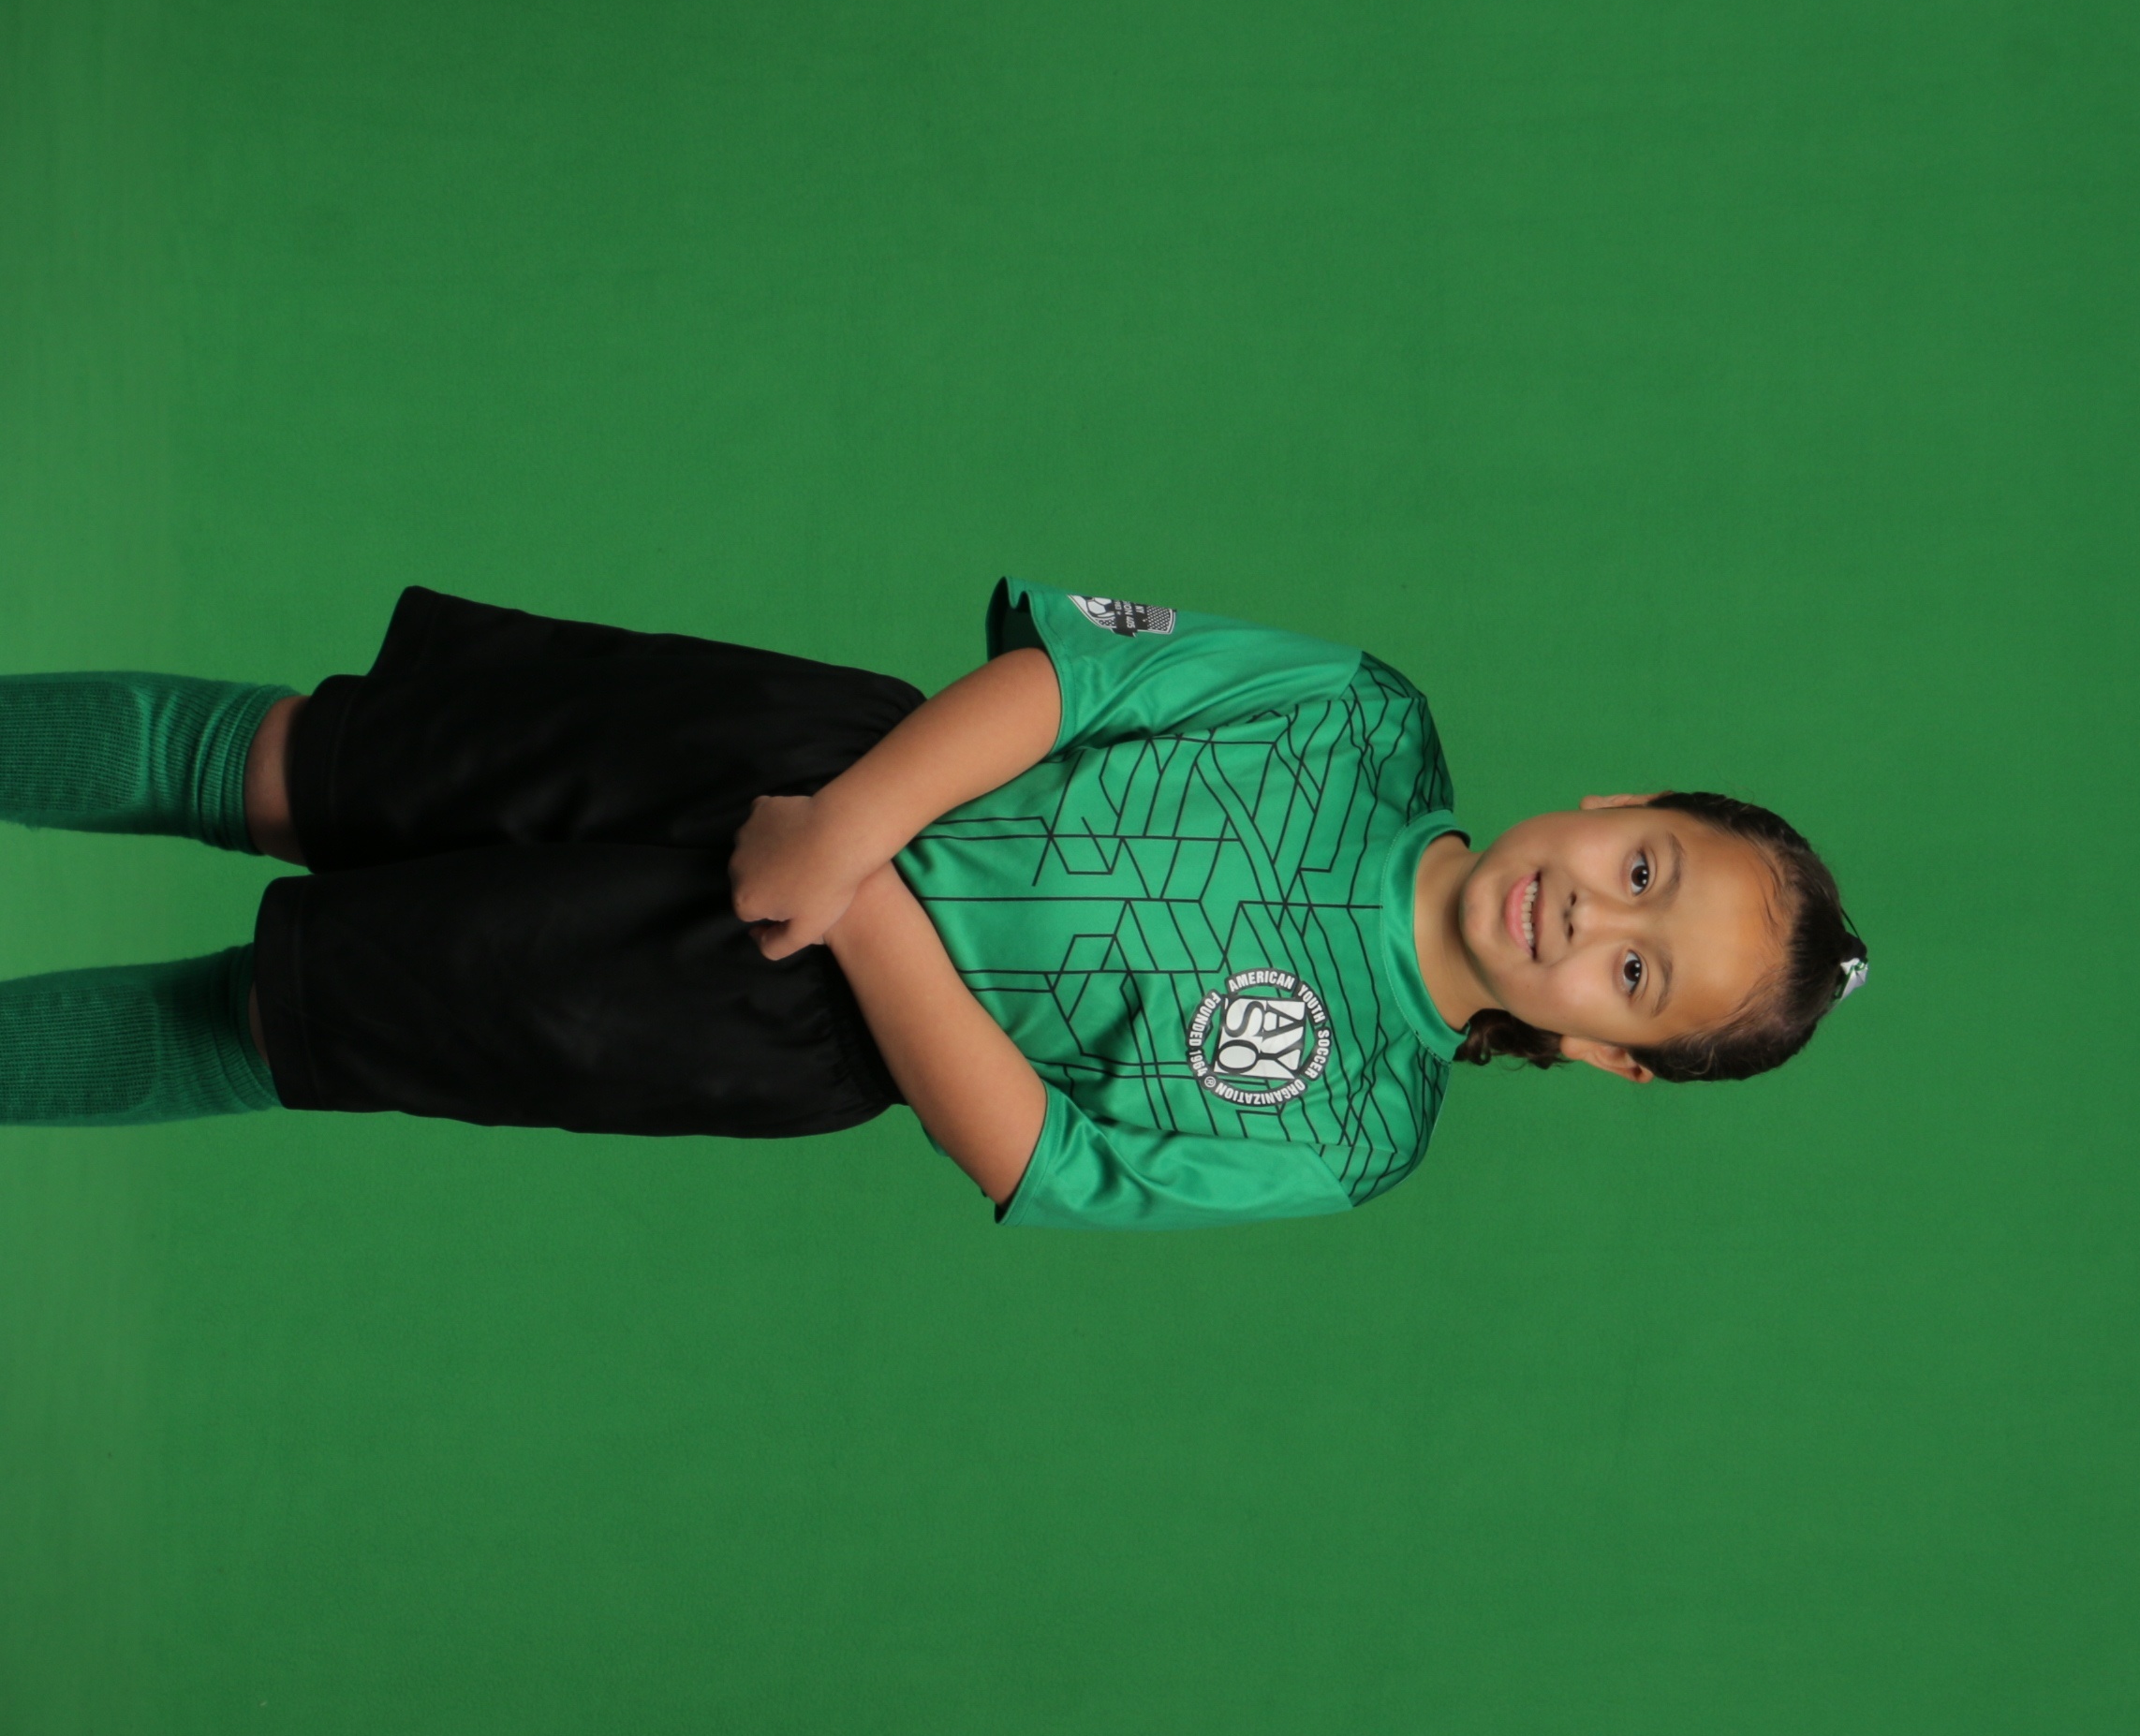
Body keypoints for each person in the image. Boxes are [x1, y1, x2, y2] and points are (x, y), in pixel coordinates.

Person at [0, 581, 1867, 1228]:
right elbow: (1080, 682)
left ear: (1609, 1055)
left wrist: (866, 913)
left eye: (1639, 976)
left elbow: (1048, 1160)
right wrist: (853, 822)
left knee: (271, 1019)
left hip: (763, 1006)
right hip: (798, 760)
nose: (1590, 920)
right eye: (1643, 870)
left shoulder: (1356, 1125)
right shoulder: (1361, 716)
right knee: (291, 760)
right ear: (1617, 803)